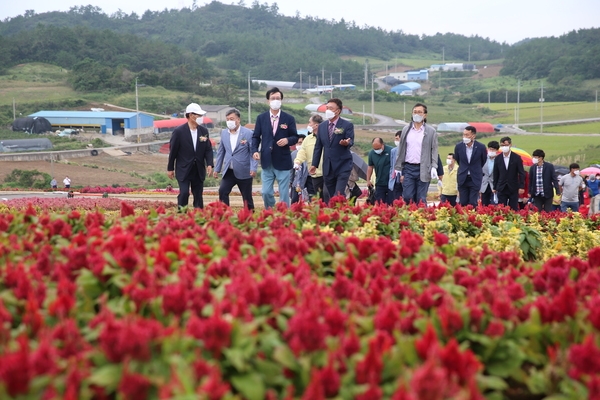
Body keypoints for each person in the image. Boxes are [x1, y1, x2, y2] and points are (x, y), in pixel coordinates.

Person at [251, 87, 299, 208]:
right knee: (266, 192)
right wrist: (254, 150)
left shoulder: (289, 118)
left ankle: (284, 216)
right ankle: (270, 211)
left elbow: (295, 137)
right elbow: (256, 136)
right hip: (267, 160)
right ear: (268, 101)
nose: (275, 100)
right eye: (273, 98)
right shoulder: (261, 118)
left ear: (281, 100)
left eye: (278, 98)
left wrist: (287, 140)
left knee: (283, 195)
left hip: (283, 161)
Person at [167, 103, 214, 209]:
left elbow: (208, 149)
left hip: (198, 169)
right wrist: (170, 168)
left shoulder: (203, 131)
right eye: (199, 115)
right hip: (184, 168)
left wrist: (210, 164)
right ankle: (182, 215)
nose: (201, 118)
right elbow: (173, 151)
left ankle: (198, 216)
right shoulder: (179, 131)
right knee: (184, 193)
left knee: (198, 195)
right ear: (191, 115)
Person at [393, 103, 439, 206]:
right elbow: (401, 149)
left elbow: (434, 150)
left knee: (421, 198)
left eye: (419, 112)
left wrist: (434, 166)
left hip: (423, 168)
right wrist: (398, 167)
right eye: (415, 112)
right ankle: (410, 218)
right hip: (409, 168)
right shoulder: (406, 130)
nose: (417, 114)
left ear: (425, 115)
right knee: (408, 196)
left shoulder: (431, 131)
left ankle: (423, 218)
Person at [310, 98, 355, 202]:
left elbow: (351, 140)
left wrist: (347, 143)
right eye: (327, 108)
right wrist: (314, 164)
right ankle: (334, 214)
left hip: (342, 165)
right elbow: (318, 147)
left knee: (338, 194)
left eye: (331, 108)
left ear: (338, 111)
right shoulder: (322, 127)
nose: (328, 110)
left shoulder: (347, 125)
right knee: (330, 195)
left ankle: (341, 214)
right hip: (328, 166)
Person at [213, 108, 257, 210]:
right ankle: (224, 213)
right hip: (229, 170)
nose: (229, 121)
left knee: (247, 198)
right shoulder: (224, 133)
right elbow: (221, 152)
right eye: (227, 119)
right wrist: (217, 168)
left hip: (244, 171)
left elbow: (253, 153)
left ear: (238, 120)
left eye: (232, 119)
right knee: (222, 191)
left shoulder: (248, 133)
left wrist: (253, 168)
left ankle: (250, 217)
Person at [453, 125, 487, 207]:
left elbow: (483, 160)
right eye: (464, 134)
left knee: (473, 202)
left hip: (475, 177)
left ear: (473, 136)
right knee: (463, 202)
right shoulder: (459, 147)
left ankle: (472, 218)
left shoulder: (481, 147)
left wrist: (474, 168)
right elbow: (458, 160)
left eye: (467, 135)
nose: (465, 137)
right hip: (463, 177)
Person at [294, 115, 325, 200]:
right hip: (315, 174)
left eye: (310, 122)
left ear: (316, 125)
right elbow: (302, 152)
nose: (308, 124)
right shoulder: (308, 139)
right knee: (318, 198)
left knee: (327, 196)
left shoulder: (326, 137)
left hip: (327, 173)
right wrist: (297, 161)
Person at [492, 137, 525, 211]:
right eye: (502, 145)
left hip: (513, 187)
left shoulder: (516, 158)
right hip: (501, 187)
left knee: (513, 208)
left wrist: (521, 186)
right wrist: (495, 187)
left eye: (506, 145)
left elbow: (521, 173)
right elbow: (496, 173)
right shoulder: (498, 158)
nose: (504, 147)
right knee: (502, 208)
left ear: (510, 145)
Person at [367, 138, 393, 205]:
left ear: (382, 144)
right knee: (380, 203)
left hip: (391, 182)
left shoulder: (391, 151)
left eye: (378, 148)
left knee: (391, 203)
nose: (377, 150)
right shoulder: (371, 153)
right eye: (375, 149)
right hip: (379, 182)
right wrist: (368, 180)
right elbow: (370, 167)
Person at [480, 141, 499, 206]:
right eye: (490, 149)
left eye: (493, 150)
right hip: (484, 184)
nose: (491, 151)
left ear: (496, 150)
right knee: (484, 205)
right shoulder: (483, 158)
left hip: (494, 185)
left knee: (494, 205)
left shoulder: (499, 160)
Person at [290, 133, 308, 203]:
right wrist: (290, 181)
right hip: (297, 181)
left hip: (307, 179)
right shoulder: (293, 154)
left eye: (300, 143)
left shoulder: (310, 152)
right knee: (294, 200)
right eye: (297, 143)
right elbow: (291, 170)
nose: (298, 145)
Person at [388, 131, 403, 202]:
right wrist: (391, 177)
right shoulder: (393, 151)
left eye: (397, 139)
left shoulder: (408, 150)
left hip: (404, 178)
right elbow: (392, 166)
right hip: (395, 178)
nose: (396, 141)